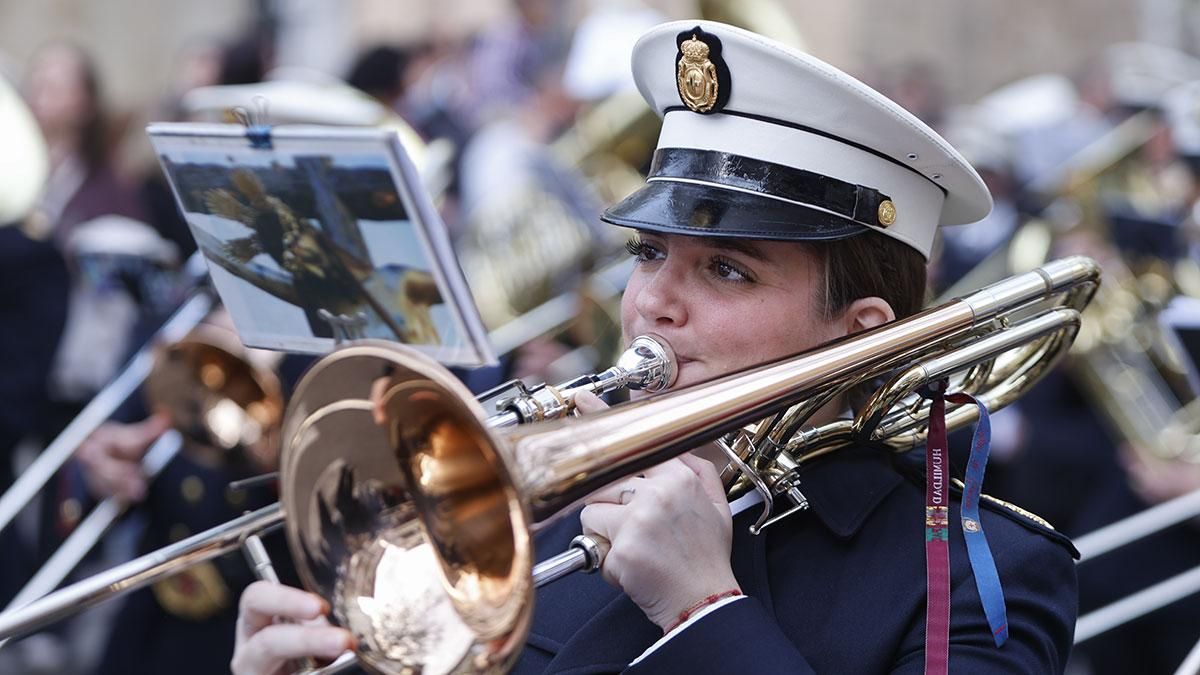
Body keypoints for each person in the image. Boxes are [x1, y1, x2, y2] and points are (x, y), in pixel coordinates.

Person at [232, 20, 1078, 674]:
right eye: (647, 252)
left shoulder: (978, 574)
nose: (651, 303)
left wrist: (704, 609)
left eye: (726, 269)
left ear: (859, 333)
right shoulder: (540, 521)